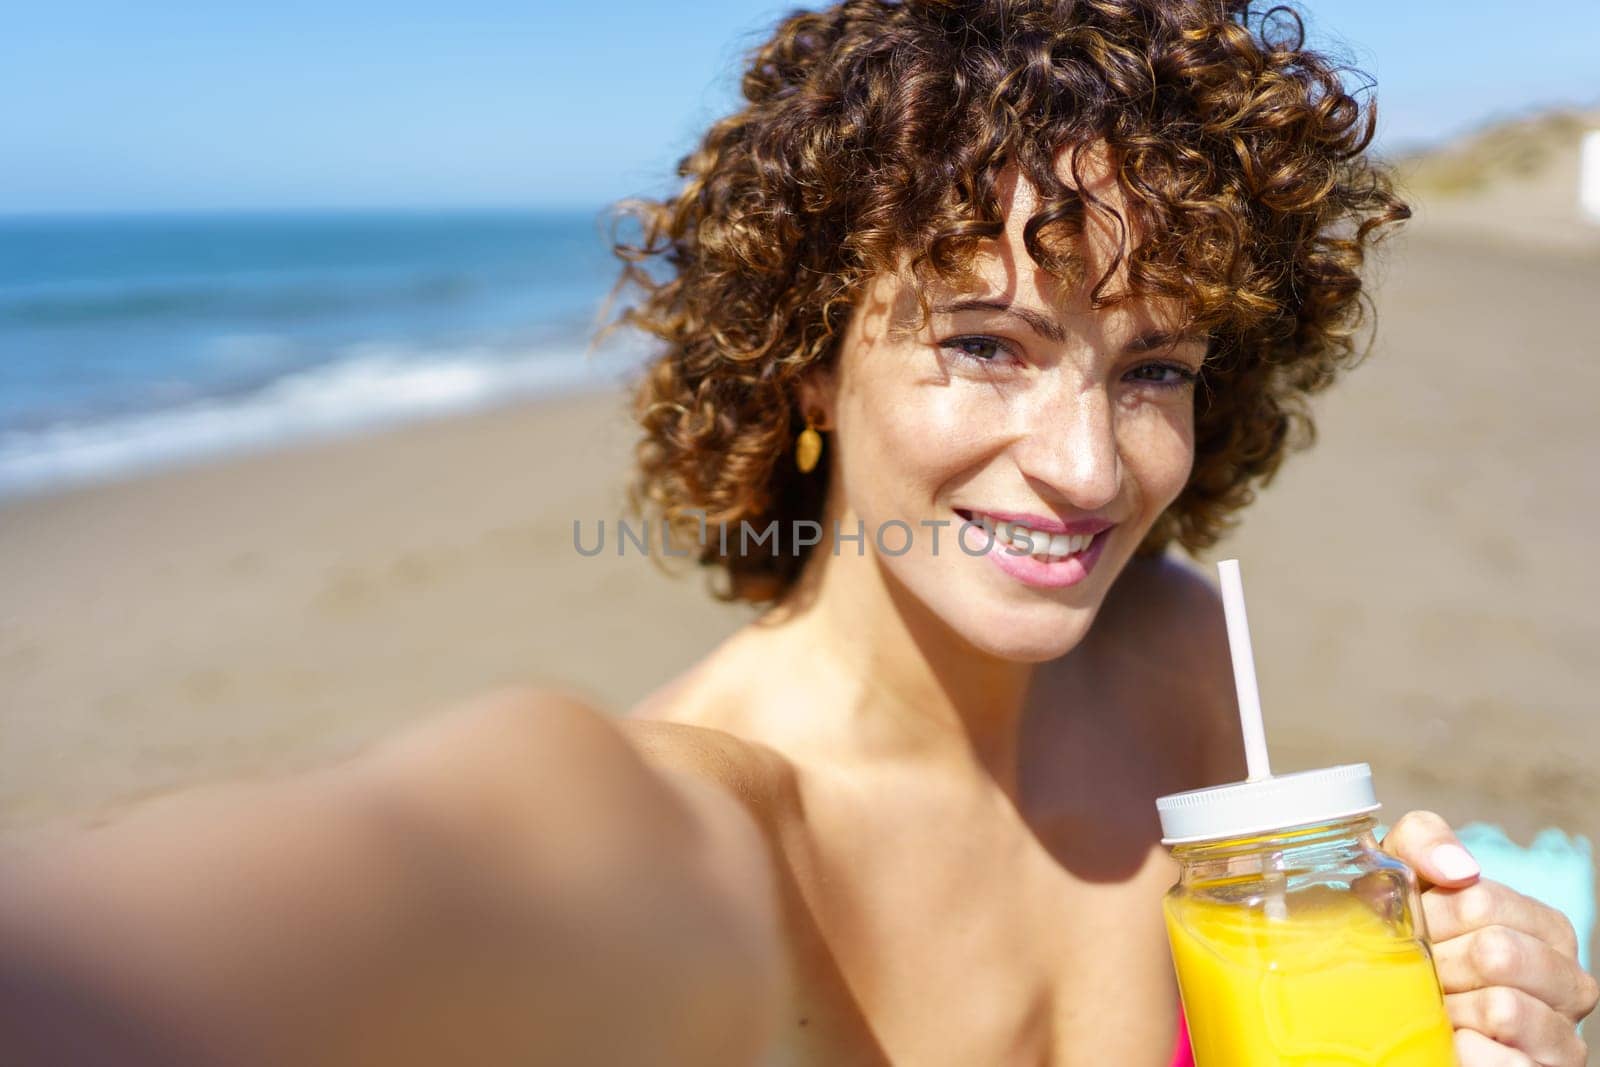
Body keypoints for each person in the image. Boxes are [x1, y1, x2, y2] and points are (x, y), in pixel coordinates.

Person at [0, 2, 1594, 1065]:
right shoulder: (714, 820)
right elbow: (413, 872)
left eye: (1154, 367)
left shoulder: (1182, 649)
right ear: (807, 361)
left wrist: (1467, 995)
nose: (1092, 465)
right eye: (988, 344)